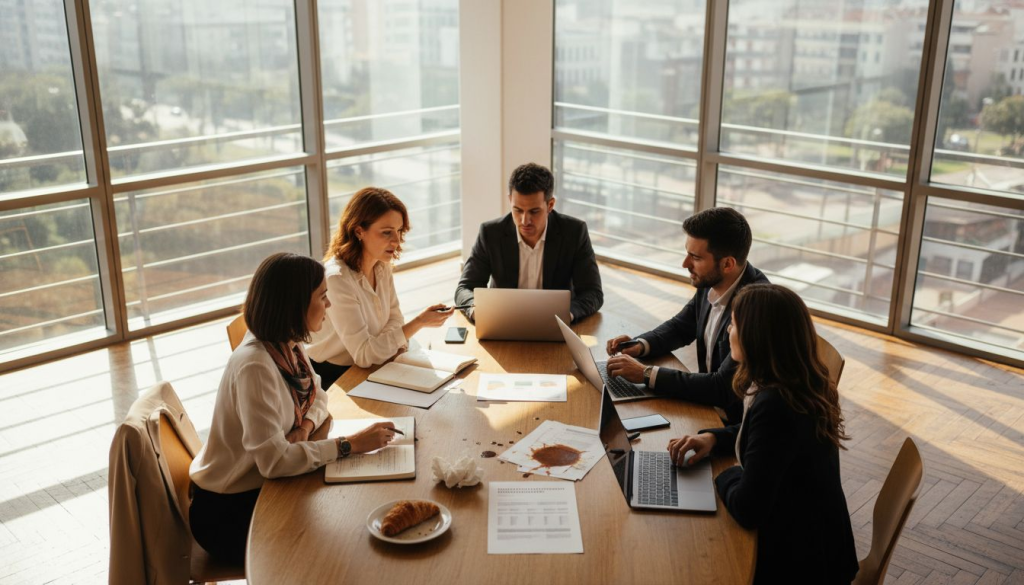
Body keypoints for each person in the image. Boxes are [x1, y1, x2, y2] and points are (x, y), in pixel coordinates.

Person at [189, 253, 396, 563]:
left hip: (264, 486)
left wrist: (304, 428)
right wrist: (349, 444)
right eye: (322, 297)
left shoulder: (289, 343)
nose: (329, 304)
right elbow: (274, 463)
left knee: (349, 517)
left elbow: (319, 395)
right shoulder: (255, 366)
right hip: (230, 509)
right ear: (295, 304)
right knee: (342, 535)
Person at [667, 284, 859, 584]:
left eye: (734, 324)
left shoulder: (776, 404)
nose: (728, 329)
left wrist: (723, 474)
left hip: (802, 562)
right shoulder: (795, 380)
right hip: (820, 539)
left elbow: (748, 509)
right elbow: (770, 439)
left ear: (755, 336)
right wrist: (714, 438)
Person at [605, 207, 768, 424]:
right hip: (705, 405)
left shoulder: (755, 308)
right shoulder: (712, 280)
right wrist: (640, 344)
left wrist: (646, 374)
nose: (685, 264)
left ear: (727, 264)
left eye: (695, 257)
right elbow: (681, 326)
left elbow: (722, 388)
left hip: (733, 424)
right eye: (687, 253)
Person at [306, 187, 452, 388]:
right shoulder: (337, 279)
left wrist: (386, 344)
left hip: (377, 363)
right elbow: (364, 355)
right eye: (386, 232)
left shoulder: (381, 265)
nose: (396, 241)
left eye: (399, 231)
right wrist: (418, 323)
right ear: (359, 231)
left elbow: (395, 318)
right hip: (336, 376)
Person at [454, 162, 603, 323]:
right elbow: (464, 289)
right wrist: (477, 311)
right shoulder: (490, 233)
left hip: (555, 324)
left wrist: (568, 315)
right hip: (503, 323)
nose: (525, 220)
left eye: (534, 211)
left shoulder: (574, 233)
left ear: (550, 205)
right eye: (518, 210)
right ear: (510, 200)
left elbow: (592, 293)